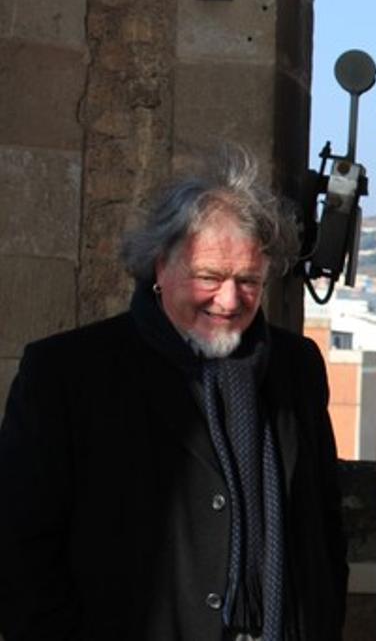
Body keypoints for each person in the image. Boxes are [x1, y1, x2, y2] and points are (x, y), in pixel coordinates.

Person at [0, 147, 348, 640]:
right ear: (160, 266)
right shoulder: (68, 373)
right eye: (209, 277)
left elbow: (322, 524)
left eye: (248, 281)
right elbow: (21, 549)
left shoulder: (296, 368)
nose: (229, 300)